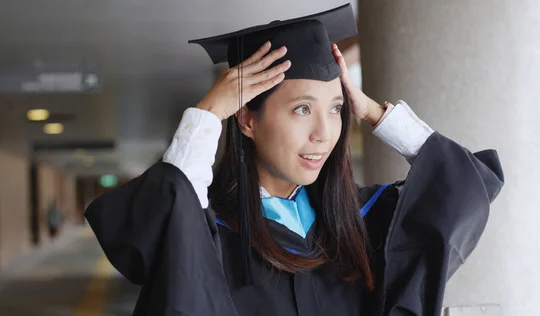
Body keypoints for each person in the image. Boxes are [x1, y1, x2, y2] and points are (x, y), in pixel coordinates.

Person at [85, 4, 504, 316]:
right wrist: (206, 116)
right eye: (302, 109)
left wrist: (379, 114)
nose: (324, 133)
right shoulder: (210, 230)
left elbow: (466, 189)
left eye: (336, 109)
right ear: (247, 119)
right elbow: (153, 230)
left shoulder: (361, 222)